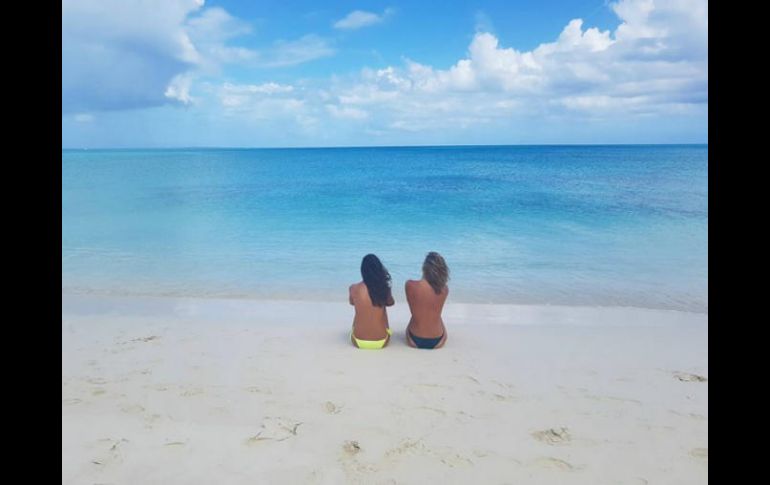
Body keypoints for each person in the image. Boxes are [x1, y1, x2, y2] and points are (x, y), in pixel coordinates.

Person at [349, 254, 394, 349]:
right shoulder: (384, 288)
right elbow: (391, 303)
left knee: (360, 309)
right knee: (382, 306)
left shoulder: (353, 288)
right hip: (382, 340)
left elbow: (352, 302)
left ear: (363, 271)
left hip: (357, 341)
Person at [405, 252, 449, 349]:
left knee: (417, 312)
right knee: (437, 315)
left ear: (424, 268)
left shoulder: (410, 285)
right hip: (437, 339)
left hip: (414, 339)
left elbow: (413, 309)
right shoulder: (444, 289)